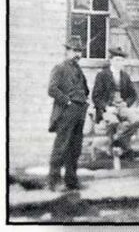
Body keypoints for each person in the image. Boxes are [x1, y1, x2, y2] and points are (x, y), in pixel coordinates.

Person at [47, 36, 90, 191]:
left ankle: (71, 180)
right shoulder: (60, 68)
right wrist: (67, 101)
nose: (77, 54)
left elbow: (85, 90)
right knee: (61, 146)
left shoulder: (78, 70)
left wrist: (84, 102)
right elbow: (52, 89)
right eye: (74, 50)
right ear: (67, 51)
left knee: (75, 147)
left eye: (79, 51)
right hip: (67, 111)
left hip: (79, 111)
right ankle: (54, 181)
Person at [91, 47, 139, 157]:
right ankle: (124, 146)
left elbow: (133, 95)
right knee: (113, 122)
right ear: (111, 60)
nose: (119, 63)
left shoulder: (125, 76)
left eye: (121, 60)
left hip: (122, 107)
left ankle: (118, 139)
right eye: (117, 60)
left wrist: (126, 103)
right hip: (108, 108)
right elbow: (95, 97)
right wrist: (106, 107)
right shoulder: (102, 75)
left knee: (136, 121)